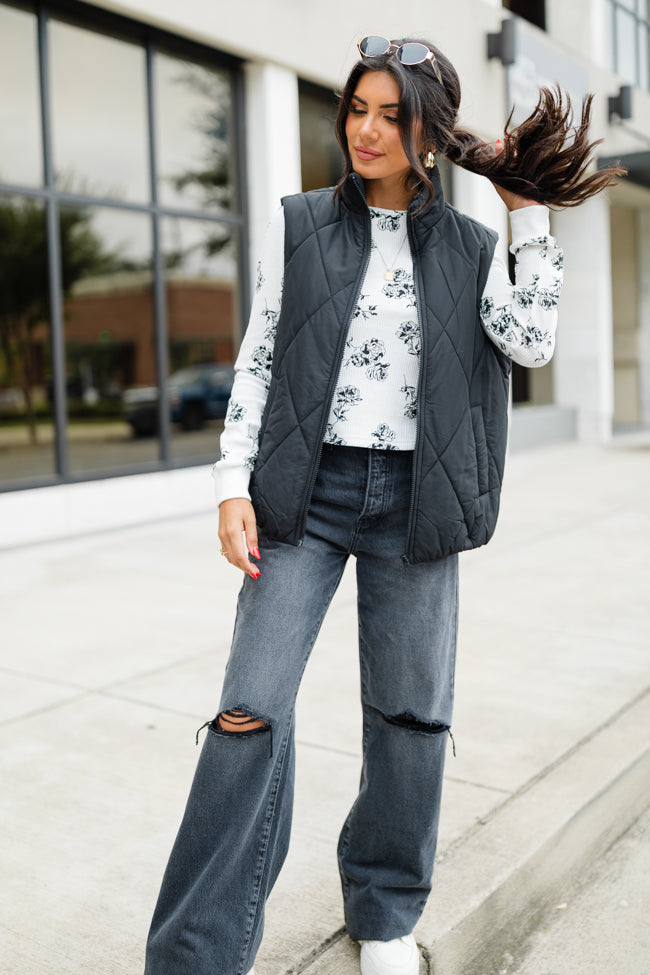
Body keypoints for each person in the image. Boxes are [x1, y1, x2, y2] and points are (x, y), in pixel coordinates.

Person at [144, 35, 623, 975]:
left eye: (390, 114)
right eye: (356, 108)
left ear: (429, 134)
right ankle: (195, 956)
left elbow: (530, 342)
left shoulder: (476, 246)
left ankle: (385, 909)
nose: (365, 129)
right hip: (303, 494)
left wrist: (528, 216)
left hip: (416, 500)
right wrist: (229, 485)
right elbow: (261, 355)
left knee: (410, 717)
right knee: (249, 709)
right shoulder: (299, 225)